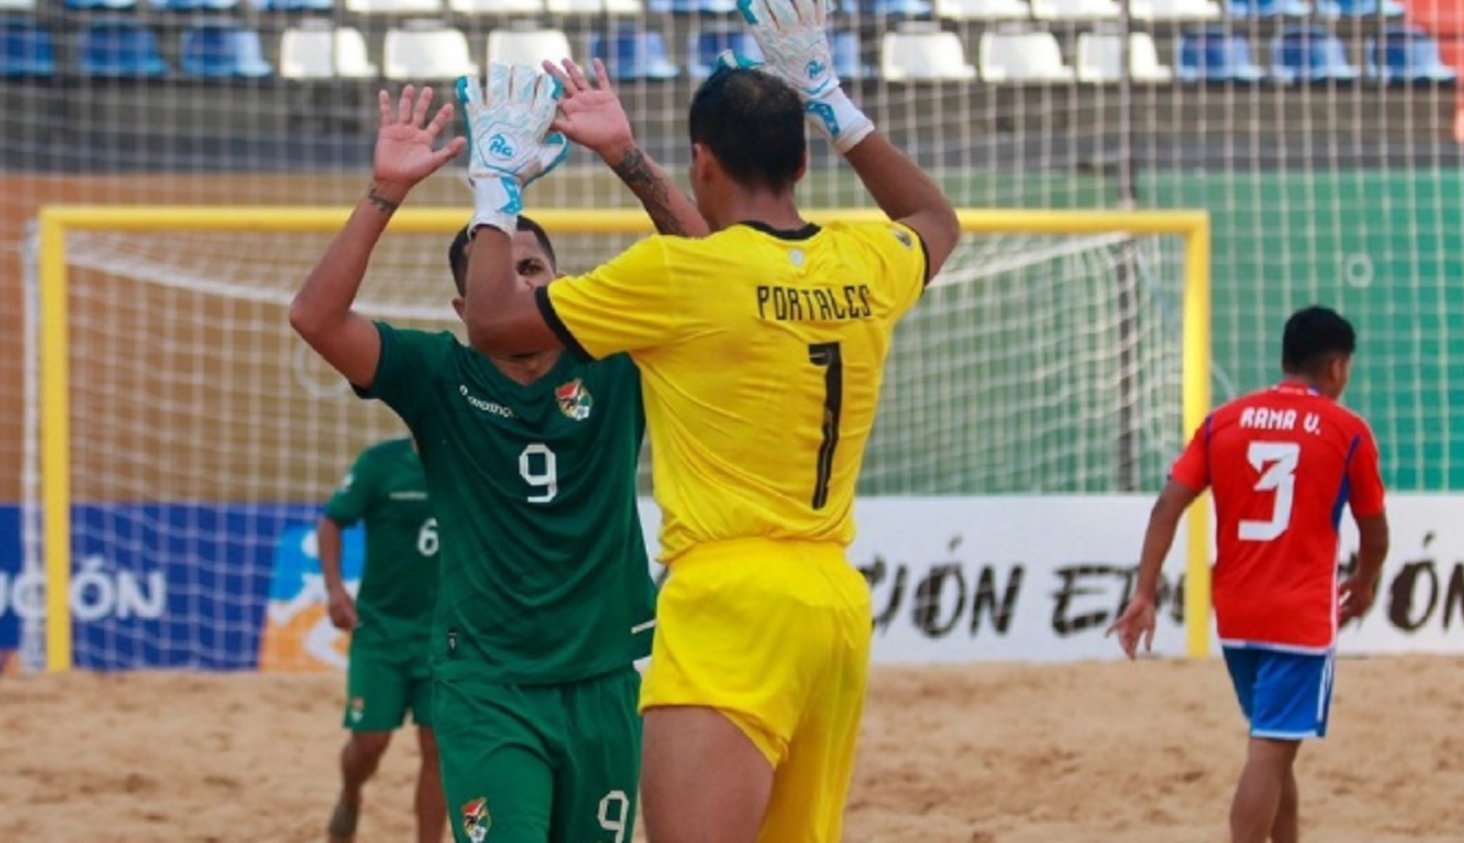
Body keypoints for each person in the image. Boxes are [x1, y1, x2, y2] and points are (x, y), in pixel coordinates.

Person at [450, 1, 962, 838]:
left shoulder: (676, 279)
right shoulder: (866, 261)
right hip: (831, 602)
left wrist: (495, 181)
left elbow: (494, 321)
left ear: (702, 162)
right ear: (802, 158)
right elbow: (936, 220)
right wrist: (828, 95)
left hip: (729, 600)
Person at [289, 80, 702, 843]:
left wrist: (624, 154)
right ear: (465, 308)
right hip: (486, 686)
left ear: (560, 282)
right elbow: (314, 317)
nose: (521, 283)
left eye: (534, 269)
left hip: (604, 676)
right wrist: (385, 192)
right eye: (501, 271)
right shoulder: (438, 375)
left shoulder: (617, 361)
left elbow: (717, 273)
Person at [1108, 305, 1390, 843]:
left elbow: (1166, 506)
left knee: (1276, 747)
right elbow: (1374, 532)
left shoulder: (1225, 421)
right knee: (1267, 755)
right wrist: (1366, 580)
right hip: (1300, 616)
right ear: (1336, 368)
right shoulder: (1347, 431)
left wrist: (1144, 592)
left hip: (1237, 614)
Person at [318, 437, 443, 843]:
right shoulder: (380, 463)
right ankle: (351, 792)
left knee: (437, 748)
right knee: (370, 743)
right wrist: (336, 590)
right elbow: (331, 521)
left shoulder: (470, 459)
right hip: (381, 631)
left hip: (445, 635)